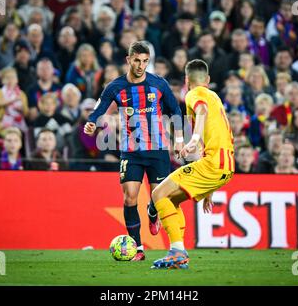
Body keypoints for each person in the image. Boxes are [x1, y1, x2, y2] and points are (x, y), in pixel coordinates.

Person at [84, 41, 183, 261]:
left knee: (159, 199)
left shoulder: (159, 84)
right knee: (130, 198)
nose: (141, 65)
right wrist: (91, 123)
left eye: (145, 61)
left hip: (157, 149)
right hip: (131, 151)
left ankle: (152, 211)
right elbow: (99, 109)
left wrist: (178, 139)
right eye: (137, 60)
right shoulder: (115, 86)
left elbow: (175, 110)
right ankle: (138, 248)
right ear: (128, 60)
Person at [148, 59, 234, 269]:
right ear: (209, 79)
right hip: (225, 167)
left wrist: (193, 140)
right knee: (170, 200)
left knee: (157, 194)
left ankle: (177, 252)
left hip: (213, 164)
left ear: (187, 80)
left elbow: (201, 111)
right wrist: (210, 190)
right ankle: (179, 256)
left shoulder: (195, 94)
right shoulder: (215, 97)